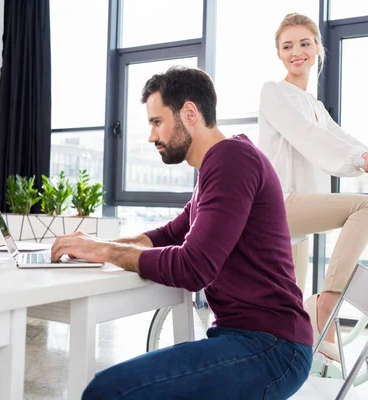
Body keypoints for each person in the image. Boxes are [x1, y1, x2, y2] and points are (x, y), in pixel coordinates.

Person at [51, 66, 313, 400]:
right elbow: (167, 235)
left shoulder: (232, 160)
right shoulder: (220, 164)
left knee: (107, 391)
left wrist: (104, 253)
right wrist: (94, 244)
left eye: (157, 122)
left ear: (189, 113)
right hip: (251, 338)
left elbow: (194, 267)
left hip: (271, 347)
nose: (151, 136)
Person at [258, 13, 368, 361]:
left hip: (298, 228)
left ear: (318, 47)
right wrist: (361, 159)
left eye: (305, 43)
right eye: (287, 46)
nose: (296, 52)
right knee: (367, 206)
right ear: (278, 53)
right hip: (279, 206)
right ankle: (328, 301)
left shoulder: (315, 106)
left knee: (286, 325)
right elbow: (310, 138)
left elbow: (346, 140)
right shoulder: (274, 92)